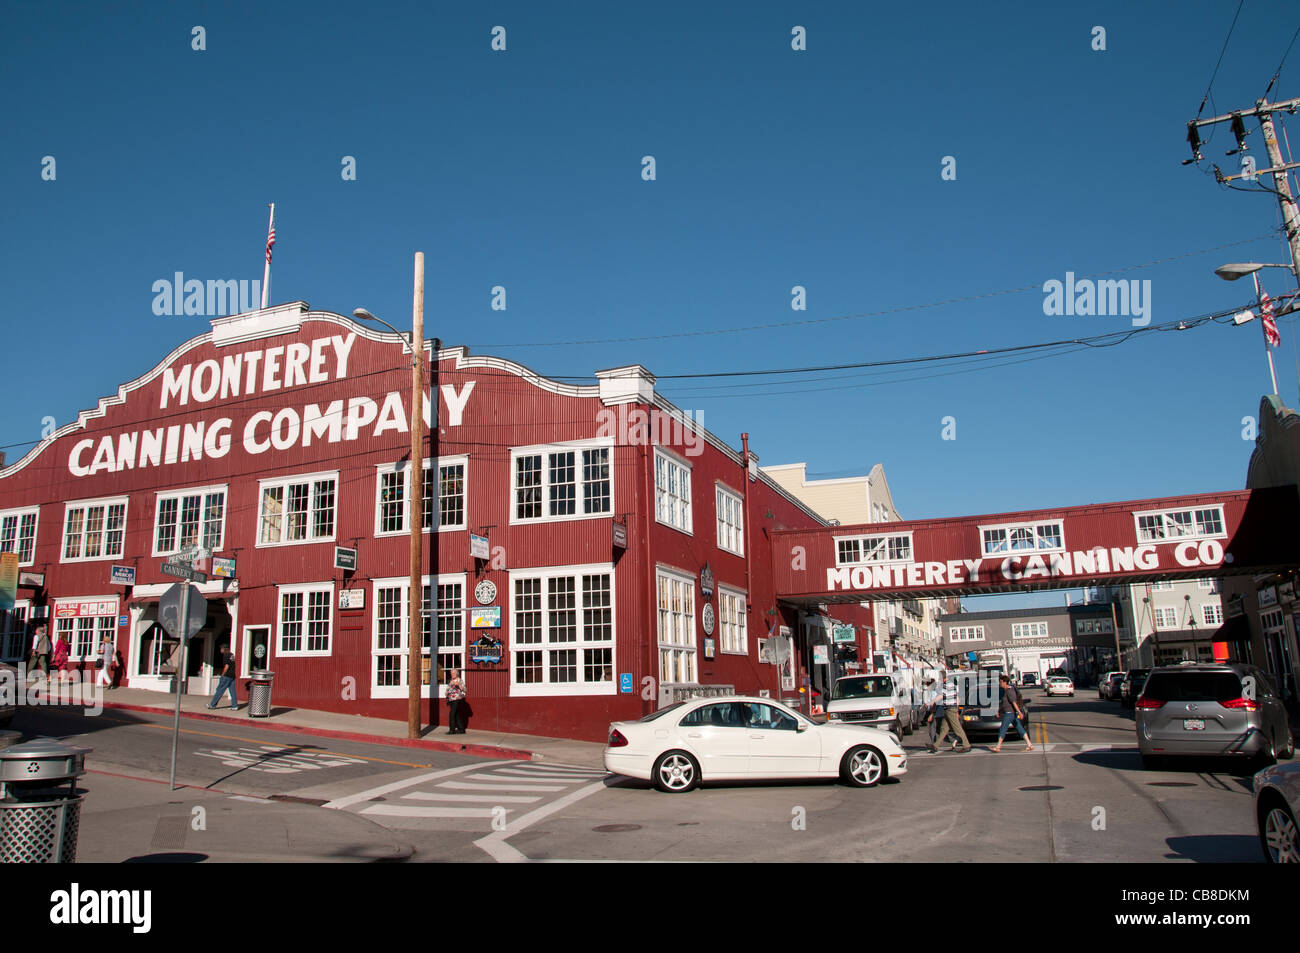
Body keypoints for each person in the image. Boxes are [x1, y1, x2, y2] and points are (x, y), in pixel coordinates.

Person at [930, 671, 972, 752]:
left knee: (957, 728)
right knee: (944, 728)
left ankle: (966, 745)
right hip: (949, 709)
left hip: (950, 709)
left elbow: (941, 696)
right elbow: (956, 697)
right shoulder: (951, 684)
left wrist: (931, 702)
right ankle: (935, 745)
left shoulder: (946, 685)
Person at [992, 673, 1034, 753]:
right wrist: (999, 711)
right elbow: (1005, 703)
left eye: (1001, 682)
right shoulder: (1007, 690)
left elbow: (1013, 702)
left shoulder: (1009, 691)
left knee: (1003, 729)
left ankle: (998, 747)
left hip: (1009, 713)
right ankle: (1030, 745)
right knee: (1019, 728)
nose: (1000, 684)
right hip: (1011, 713)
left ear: (1005, 682)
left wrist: (1019, 712)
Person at [207, 643, 238, 710]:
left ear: (224, 649)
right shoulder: (231, 655)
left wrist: (222, 674)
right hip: (232, 675)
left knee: (220, 690)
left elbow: (227, 666)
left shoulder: (226, 655)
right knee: (232, 691)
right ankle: (234, 706)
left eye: (221, 648)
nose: (220, 650)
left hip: (226, 676)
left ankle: (212, 705)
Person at [446, 669, 467, 734]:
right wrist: (446, 692)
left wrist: (458, 684)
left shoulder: (459, 680)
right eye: (451, 673)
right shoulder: (451, 681)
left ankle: (451, 730)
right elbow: (448, 688)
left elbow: (465, 689)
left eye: (453, 673)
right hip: (451, 699)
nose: (452, 674)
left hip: (457, 699)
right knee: (456, 714)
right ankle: (462, 729)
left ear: (457, 674)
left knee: (452, 714)